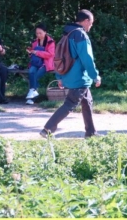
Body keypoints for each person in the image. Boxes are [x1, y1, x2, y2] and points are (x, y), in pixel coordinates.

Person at [40, 9, 101, 138]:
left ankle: (91, 133)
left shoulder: (67, 33)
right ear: (86, 21)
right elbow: (87, 58)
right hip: (79, 77)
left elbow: (58, 56)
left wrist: (59, 76)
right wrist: (95, 76)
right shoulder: (80, 35)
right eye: (91, 23)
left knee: (87, 102)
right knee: (70, 103)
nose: (91, 26)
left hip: (68, 74)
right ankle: (47, 129)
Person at [25, 23, 55, 105]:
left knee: (35, 76)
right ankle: (33, 92)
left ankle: (31, 98)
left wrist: (37, 52)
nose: (38, 35)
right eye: (37, 33)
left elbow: (50, 54)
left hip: (46, 63)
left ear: (45, 32)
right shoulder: (35, 42)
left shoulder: (50, 42)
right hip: (35, 63)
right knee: (31, 72)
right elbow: (32, 53)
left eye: (40, 33)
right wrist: (30, 53)